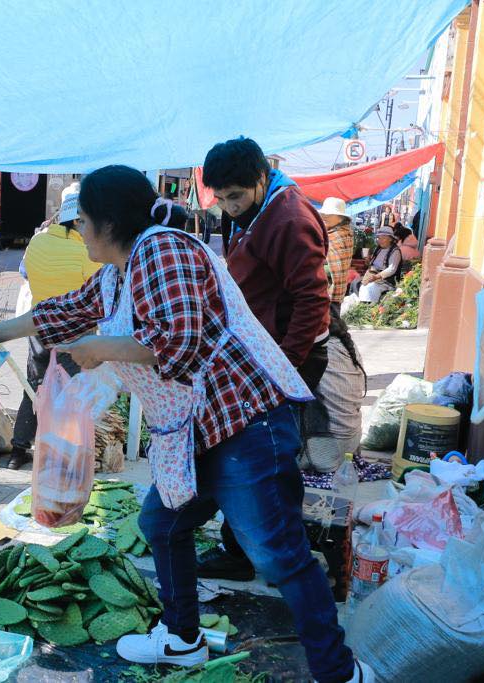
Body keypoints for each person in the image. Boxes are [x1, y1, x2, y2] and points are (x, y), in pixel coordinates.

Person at [0, 165, 371, 683]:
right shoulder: (117, 272)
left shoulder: (165, 250)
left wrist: (96, 349)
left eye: (83, 220)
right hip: (195, 430)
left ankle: (340, 673)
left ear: (109, 222)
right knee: (162, 522)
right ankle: (182, 638)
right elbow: (62, 311)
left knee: (276, 553)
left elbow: (178, 344)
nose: (79, 231)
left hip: (243, 422)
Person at [196, 137, 331, 581]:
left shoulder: (289, 219)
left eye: (235, 196)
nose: (229, 207)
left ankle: (276, 556)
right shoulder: (252, 212)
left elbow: (313, 299)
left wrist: (285, 368)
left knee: (269, 457)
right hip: (260, 350)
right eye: (221, 198)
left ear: (261, 178)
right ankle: (248, 548)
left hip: (288, 356)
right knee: (253, 452)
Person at [8, 183, 101, 469]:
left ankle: (18, 450)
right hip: (73, 333)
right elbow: (99, 291)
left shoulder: (38, 241)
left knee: (33, 386)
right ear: (77, 220)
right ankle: (57, 455)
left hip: (36, 327)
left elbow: (23, 271)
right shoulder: (86, 252)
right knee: (67, 393)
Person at [318, 197, 355, 311]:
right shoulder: (343, 232)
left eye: (329, 214)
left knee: (330, 326)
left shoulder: (336, 236)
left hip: (330, 294)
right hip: (335, 293)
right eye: (323, 214)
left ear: (340, 218)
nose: (324, 217)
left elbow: (336, 270)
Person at [354, 225, 402, 303]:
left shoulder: (395, 251)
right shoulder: (378, 249)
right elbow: (372, 264)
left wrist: (376, 277)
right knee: (355, 282)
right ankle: (361, 304)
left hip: (386, 280)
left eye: (383, 238)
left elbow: (391, 269)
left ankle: (369, 307)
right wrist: (368, 261)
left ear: (390, 239)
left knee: (369, 287)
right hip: (373, 275)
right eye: (379, 238)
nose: (380, 240)